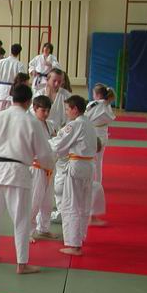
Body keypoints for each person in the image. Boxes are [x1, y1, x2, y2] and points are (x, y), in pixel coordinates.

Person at [0, 84, 54, 274]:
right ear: (29, 102)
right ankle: (21, 263)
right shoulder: (31, 122)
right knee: (21, 219)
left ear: (11, 97)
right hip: (19, 173)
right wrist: (49, 166)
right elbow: (44, 153)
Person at [49, 96, 99, 256]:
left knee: (71, 204)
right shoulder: (89, 123)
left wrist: (44, 142)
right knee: (83, 204)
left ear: (75, 109)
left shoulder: (75, 125)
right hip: (89, 166)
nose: (66, 112)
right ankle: (80, 237)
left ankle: (73, 244)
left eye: (67, 109)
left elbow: (59, 144)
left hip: (77, 166)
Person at [29, 95, 59, 241]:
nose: (46, 113)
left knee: (47, 203)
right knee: (34, 202)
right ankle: (27, 232)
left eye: (48, 110)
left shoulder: (50, 124)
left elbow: (57, 141)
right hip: (37, 168)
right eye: (43, 110)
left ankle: (43, 228)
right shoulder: (30, 125)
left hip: (50, 167)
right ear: (35, 108)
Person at [87, 84, 116, 226]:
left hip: (93, 137)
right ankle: (97, 186)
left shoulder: (94, 105)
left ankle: (90, 211)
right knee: (98, 167)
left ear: (97, 95)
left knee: (93, 167)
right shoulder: (107, 105)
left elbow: (85, 117)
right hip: (101, 137)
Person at [0, 44, 27, 113]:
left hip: (1, 89)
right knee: (10, 113)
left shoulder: (1, 62)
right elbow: (22, 78)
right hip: (12, 90)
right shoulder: (19, 64)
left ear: (10, 50)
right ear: (19, 53)